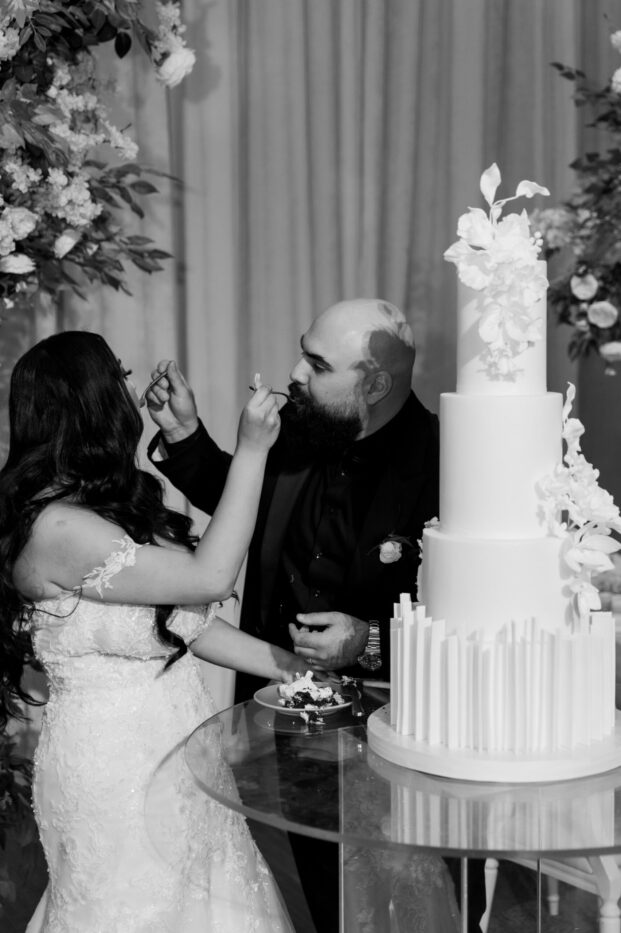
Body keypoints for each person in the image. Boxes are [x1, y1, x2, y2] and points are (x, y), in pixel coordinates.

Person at [146, 299, 483, 932]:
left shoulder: (450, 460)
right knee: (327, 900)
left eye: (318, 364)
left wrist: (370, 640)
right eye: (303, 353)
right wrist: (185, 436)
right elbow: (242, 502)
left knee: (425, 906)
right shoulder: (301, 431)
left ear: (374, 384)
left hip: (403, 735)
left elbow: (481, 622)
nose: (295, 373)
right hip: (288, 723)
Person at [0, 330, 308, 932]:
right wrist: (251, 450)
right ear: (91, 401)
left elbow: (185, 626)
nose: (131, 386)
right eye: (119, 375)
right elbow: (210, 578)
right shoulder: (57, 528)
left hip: (183, 755)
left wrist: (299, 672)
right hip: (115, 769)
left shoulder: (100, 506)